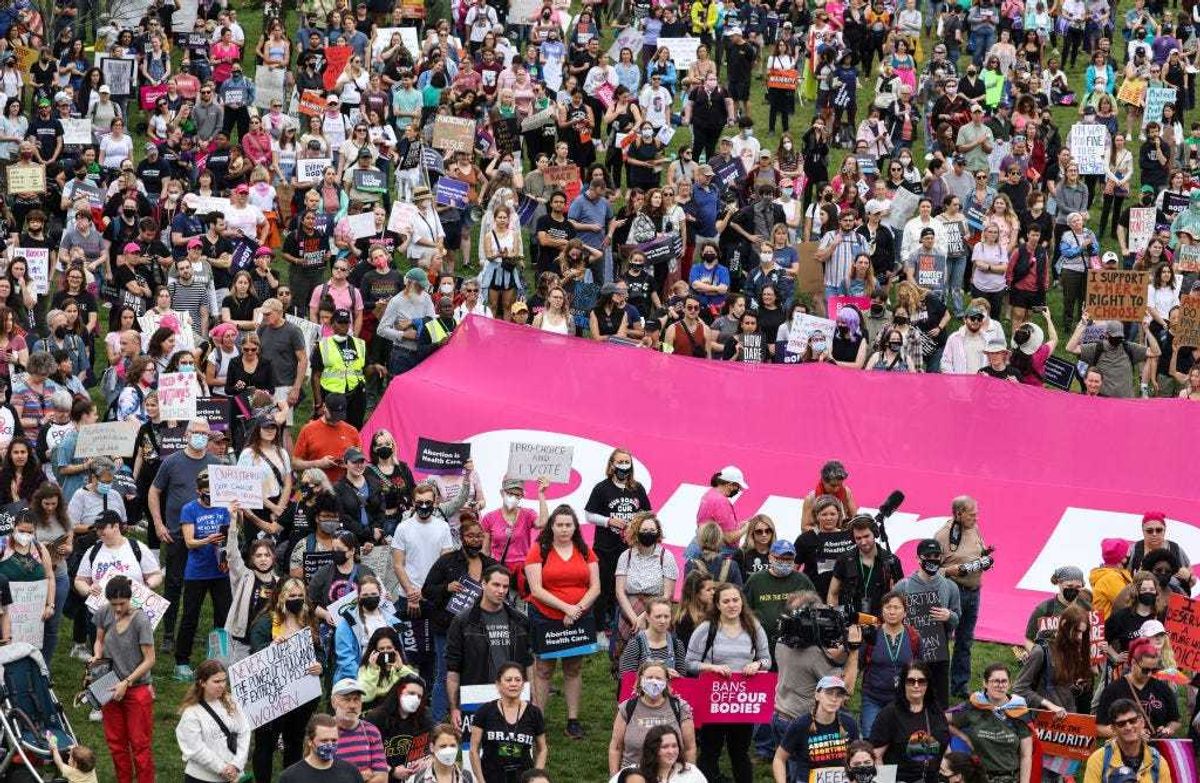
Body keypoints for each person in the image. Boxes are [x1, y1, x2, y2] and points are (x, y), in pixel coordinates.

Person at [525, 504, 600, 738]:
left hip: (579, 617)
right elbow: (535, 589)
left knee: (573, 667)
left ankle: (573, 720)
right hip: (545, 617)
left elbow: (595, 586)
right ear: (552, 526)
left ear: (575, 527)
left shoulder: (585, 550)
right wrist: (566, 607)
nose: (564, 529)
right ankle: (538, 720)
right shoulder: (539, 550)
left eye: (569, 524)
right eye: (559, 524)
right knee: (543, 669)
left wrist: (576, 610)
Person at [685, 582, 771, 783]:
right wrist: (711, 668)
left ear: (742, 602)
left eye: (736, 600)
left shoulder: (753, 626)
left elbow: (768, 660)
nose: (732, 605)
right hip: (713, 698)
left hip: (741, 700)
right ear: (717, 605)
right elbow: (689, 663)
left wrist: (757, 665)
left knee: (740, 752)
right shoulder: (706, 629)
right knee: (710, 751)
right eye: (726, 601)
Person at [148, 417, 219, 654]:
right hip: (176, 536)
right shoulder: (172, 462)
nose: (200, 436)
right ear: (186, 435)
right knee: (173, 585)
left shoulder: (215, 464)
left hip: (207, 537)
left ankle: (190, 631)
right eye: (196, 432)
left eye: (205, 433)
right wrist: (158, 524)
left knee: (199, 587)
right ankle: (168, 634)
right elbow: (154, 491)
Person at [248, 578, 324, 782]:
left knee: (295, 740)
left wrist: (320, 665)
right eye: (292, 596)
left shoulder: (307, 620)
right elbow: (255, 651)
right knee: (266, 742)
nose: (297, 600)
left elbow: (319, 651)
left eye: (300, 596)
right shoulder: (265, 622)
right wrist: (271, 648)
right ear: (281, 597)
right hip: (270, 696)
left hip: (301, 696)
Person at [90, 575, 156, 783]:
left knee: (139, 745)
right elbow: (98, 641)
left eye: (122, 603)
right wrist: (96, 657)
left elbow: (150, 659)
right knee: (116, 744)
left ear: (130, 599)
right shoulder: (103, 613)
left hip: (136, 689)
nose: (118, 608)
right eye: (114, 604)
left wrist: (126, 682)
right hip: (109, 686)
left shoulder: (141, 620)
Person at [175, 469, 239, 681]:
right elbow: (189, 541)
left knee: (224, 614)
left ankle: (220, 658)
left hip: (220, 570)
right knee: (190, 616)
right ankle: (182, 661)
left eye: (213, 492)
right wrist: (207, 540)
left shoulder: (222, 508)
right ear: (198, 492)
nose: (210, 496)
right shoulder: (189, 509)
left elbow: (231, 535)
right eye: (205, 493)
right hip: (196, 572)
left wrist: (234, 517)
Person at [585, 448, 652, 644]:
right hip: (605, 548)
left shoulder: (637, 488)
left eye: (627, 461)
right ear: (612, 464)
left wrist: (637, 523)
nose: (624, 465)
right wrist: (608, 521)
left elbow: (649, 513)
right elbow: (589, 515)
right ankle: (598, 631)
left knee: (626, 589)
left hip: (631, 550)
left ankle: (623, 627)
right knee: (603, 588)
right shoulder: (601, 488)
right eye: (620, 461)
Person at [893, 539, 960, 710]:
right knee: (910, 700)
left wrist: (949, 616)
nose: (933, 559)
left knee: (939, 704)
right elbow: (890, 614)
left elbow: (957, 618)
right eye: (928, 556)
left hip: (939, 653)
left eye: (936, 555)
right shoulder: (903, 586)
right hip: (911, 653)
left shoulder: (950, 587)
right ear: (918, 559)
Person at [934, 496, 989, 700]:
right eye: (972, 514)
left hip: (974, 591)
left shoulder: (974, 528)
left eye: (976, 513)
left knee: (965, 639)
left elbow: (978, 549)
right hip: (953, 591)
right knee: (944, 638)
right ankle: (939, 681)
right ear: (958, 513)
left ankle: (960, 684)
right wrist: (950, 571)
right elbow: (931, 569)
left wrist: (985, 557)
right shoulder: (942, 536)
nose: (976, 517)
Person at [947, 663, 1033, 783]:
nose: (1000, 685)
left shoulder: (1019, 711)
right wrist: (963, 737)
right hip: (979, 778)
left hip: (1010, 778)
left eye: (1004, 681)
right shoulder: (974, 706)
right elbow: (941, 720)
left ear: (1009, 684)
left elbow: (1026, 756)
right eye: (995, 681)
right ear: (985, 683)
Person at [609, 659, 697, 774]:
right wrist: (614, 776)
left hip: (671, 775)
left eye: (658, 678)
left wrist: (689, 776)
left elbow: (690, 748)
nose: (654, 682)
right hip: (633, 775)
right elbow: (616, 747)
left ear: (666, 681)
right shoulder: (627, 707)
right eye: (649, 678)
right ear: (640, 679)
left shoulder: (680, 707)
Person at [869, 661, 948, 783]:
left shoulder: (935, 711)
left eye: (921, 681)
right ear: (903, 684)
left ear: (927, 684)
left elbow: (945, 745)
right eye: (911, 681)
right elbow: (876, 755)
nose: (916, 685)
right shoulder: (890, 713)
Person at [773, 675, 862, 783]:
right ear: (817, 695)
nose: (834, 699)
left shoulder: (849, 724)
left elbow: (857, 758)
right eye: (828, 693)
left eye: (839, 694)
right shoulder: (800, 725)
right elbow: (779, 759)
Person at [469, 662, 548, 782]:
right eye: (508, 680)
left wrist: (536, 778)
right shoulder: (484, 711)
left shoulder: (534, 713)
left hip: (524, 778)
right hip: (491, 777)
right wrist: (481, 780)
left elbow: (542, 749)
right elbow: (473, 750)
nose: (513, 684)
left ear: (523, 684)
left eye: (518, 680)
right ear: (498, 684)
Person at [175, 659, 251, 783]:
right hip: (202, 778)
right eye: (216, 681)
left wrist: (237, 764)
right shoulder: (191, 713)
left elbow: (244, 731)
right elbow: (196, 749)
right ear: (202, 682)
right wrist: (223, 769)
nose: (222, 685)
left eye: (224, 680)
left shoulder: (230, 701)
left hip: (233, 775)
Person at [1013, 604, 1093, 718]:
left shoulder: (1076, 649)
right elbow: (1019, 688)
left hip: (1068, 718)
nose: (1080, 637)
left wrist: (1077, 686)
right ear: (1064, 624)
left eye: (1083, 633)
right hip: (1042, 719)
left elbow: (1063, 687)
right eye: (1076, 631)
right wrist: (1048, 704)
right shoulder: (1041, 651)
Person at [1095, 637, 1180, 739]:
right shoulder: (1113, 690)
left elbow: (1175, 720)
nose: (1149, 675)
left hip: (1156, 749)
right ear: (1133, 663)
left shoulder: (1162, 688)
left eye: (1154, 671)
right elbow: (1099, 728)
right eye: (1145, 670)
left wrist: (1168, 729)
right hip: (1124, 750)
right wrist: (1131, 733)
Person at [828, 515, 904, 617]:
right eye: (858, 538)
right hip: (851, 623)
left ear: (875, 534)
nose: (863, 542)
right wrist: (837, 620)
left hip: (882, 623)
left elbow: (902, 596)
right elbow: (833, 594)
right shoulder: (844, 560)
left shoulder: (891, 561)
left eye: (866, 536)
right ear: (853, 539)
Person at [363, 673, 435, 779]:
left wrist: (427, 759)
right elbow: (364, 755)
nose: (415, 699)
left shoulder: (424, 719)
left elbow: (437, 746)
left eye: (419, 696)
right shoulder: (376, 718)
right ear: (399, 692)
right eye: (411, 693)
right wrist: (392, 771)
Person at [1083, 699, 1170, 783]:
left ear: (1142, 722)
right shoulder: (1098, 760)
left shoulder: (1158, 762)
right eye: (1121, 724)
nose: (1128, 727)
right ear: (1113, 729)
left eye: (1133, 721)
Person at [329, 678, 389, 783]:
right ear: (333, 702)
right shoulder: (323, 732)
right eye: (346, 699)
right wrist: (360, 776)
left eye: (356, 699)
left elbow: (382, 778)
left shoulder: (371, 731)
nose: (352, 705)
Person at [278, 713, 363, 783]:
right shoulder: (290, 777)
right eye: (324, 740)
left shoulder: (351, 772)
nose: (330, 745)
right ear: (310, 742)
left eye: (334, 740)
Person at [632, 724, 706, 783]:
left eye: (674, 746)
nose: (671, 751)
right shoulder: (633, 775)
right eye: (665, 747)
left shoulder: (691, 771)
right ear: (652, 749)